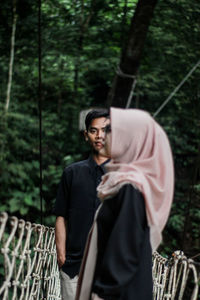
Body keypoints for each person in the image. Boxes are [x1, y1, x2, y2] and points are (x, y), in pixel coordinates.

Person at [75, 107, 174, 300]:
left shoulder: (131, 187)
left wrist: (101, 293)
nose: (104, 135)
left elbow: (124, 254)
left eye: (110, 130)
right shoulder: (122, 184)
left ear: (131, 139)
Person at [54, 109, 110, 300]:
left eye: (105, 130)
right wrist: (62, 255)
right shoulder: (72, 173)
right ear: (86, 135)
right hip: (74, 268)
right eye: (94, 130)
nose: (100, 135)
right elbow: (61, 216)